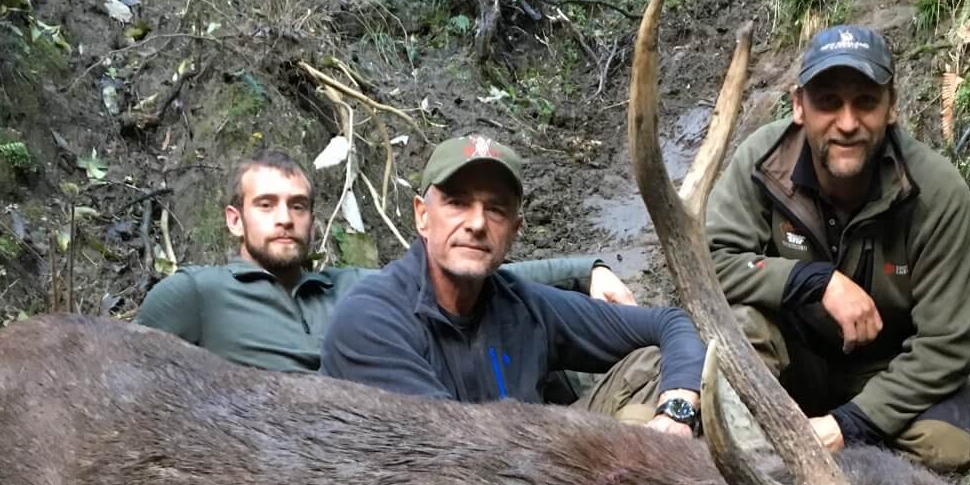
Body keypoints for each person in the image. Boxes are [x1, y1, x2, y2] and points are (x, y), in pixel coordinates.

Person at [705, 23, 970, 470]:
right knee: (740, 325)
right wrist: (814, 281)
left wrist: (848, 424)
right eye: (828, 102)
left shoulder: (937, 192)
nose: (848, 123)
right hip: (792, 363)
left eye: (866, 103)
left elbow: (946, 345)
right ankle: (755, 473)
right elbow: (710, 265)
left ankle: (844, 472)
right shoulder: (761, 162)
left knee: (944, 447)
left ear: (891, 108)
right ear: (799, 106)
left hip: (886, 372)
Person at [319, 134, 705, 437]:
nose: (476, 223)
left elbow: (668, 324)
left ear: (515, 230)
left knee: (655, 363)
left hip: (534, 479)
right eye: (457, 203)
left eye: (496, 209)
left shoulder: (524, 304)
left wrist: (677, 410)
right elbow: (451, 456)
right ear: (422, 215)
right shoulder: (371, 320)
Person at [136, 150, 637, 375]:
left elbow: (466, 271)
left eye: (299, 206)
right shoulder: (195, 294)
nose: (285, 219)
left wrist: (586, 270)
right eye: (266, 206)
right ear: (234, 220)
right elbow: (128, 377)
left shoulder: (351, 290)